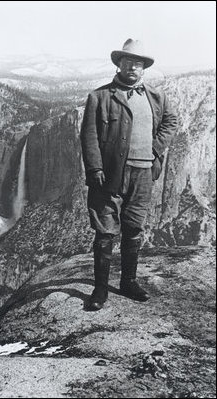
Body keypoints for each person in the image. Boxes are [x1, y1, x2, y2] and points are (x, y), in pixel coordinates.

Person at [80, 38, 177, 310]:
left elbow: (171, 122)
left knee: (133, 228)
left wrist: (156, 149)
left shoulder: (155, 97)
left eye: (138, 63)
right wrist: (95, 168)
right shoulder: (99, 97)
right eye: (127, 62)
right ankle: (100, 289)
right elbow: (89, 137)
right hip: (110, 175)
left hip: (144, 173)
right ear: (119, 65)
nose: (132, 68)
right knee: (105, 231)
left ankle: (128, 282)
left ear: (144, 68)